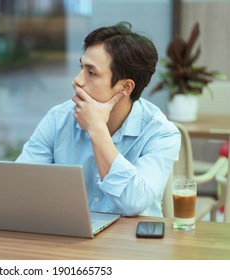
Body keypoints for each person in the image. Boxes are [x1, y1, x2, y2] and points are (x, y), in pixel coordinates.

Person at [16, 22, 181, 217]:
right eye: (81, 67)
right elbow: (20, 185)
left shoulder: (161, 133)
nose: (77, 80)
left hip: (131, 244)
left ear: (125, 88)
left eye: (91, 73)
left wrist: (97, 130)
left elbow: (134, 203)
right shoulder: (58, 118)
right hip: (68, 238)